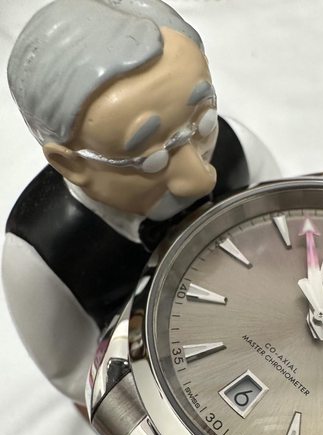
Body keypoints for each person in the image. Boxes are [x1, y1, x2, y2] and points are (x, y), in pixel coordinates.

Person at [3, 0, 278, 404]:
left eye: (203, 123)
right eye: (150, 160)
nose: (201, 178)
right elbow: (72, 371)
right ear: (71, 164)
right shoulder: (40, 256)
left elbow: (281, 234)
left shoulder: (239, 150)